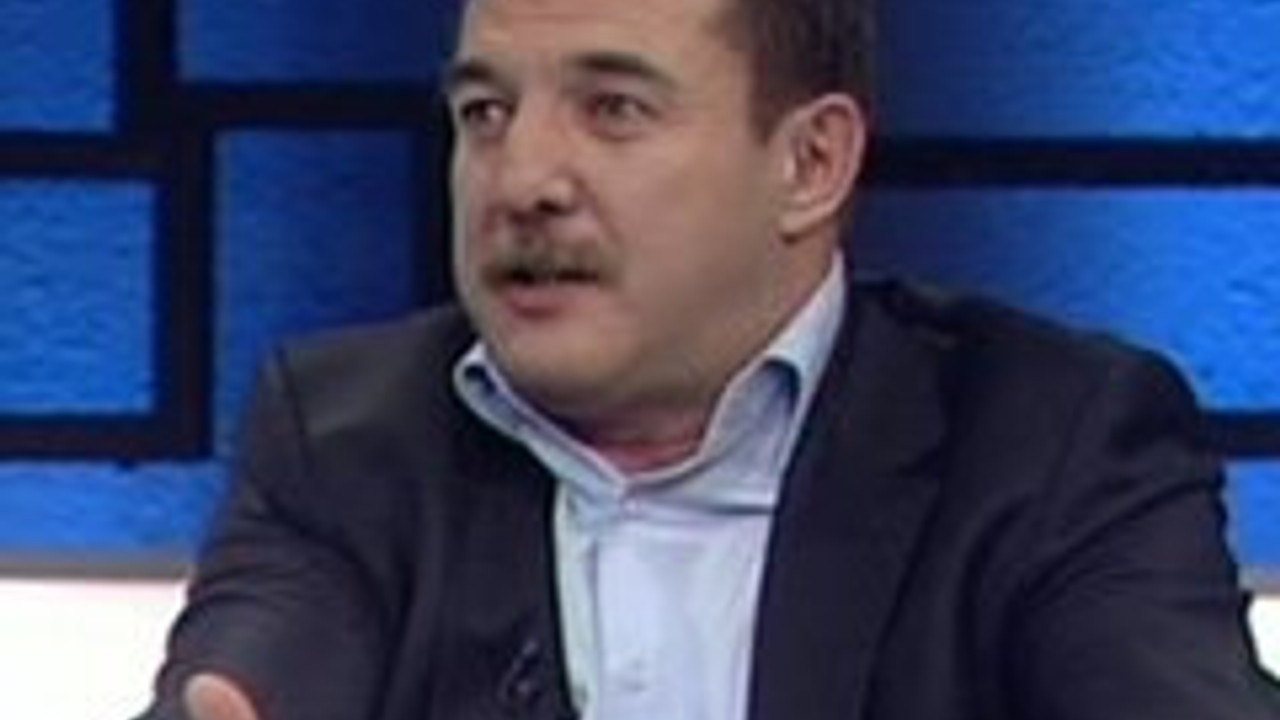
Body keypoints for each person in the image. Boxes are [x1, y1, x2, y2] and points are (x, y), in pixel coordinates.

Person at [138, 0, 1280, 717]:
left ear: (810, 164)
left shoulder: (1051, 447)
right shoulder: (346, 441)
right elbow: (241, 689)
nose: (521, 179)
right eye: (485, 112)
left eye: (613, 108)